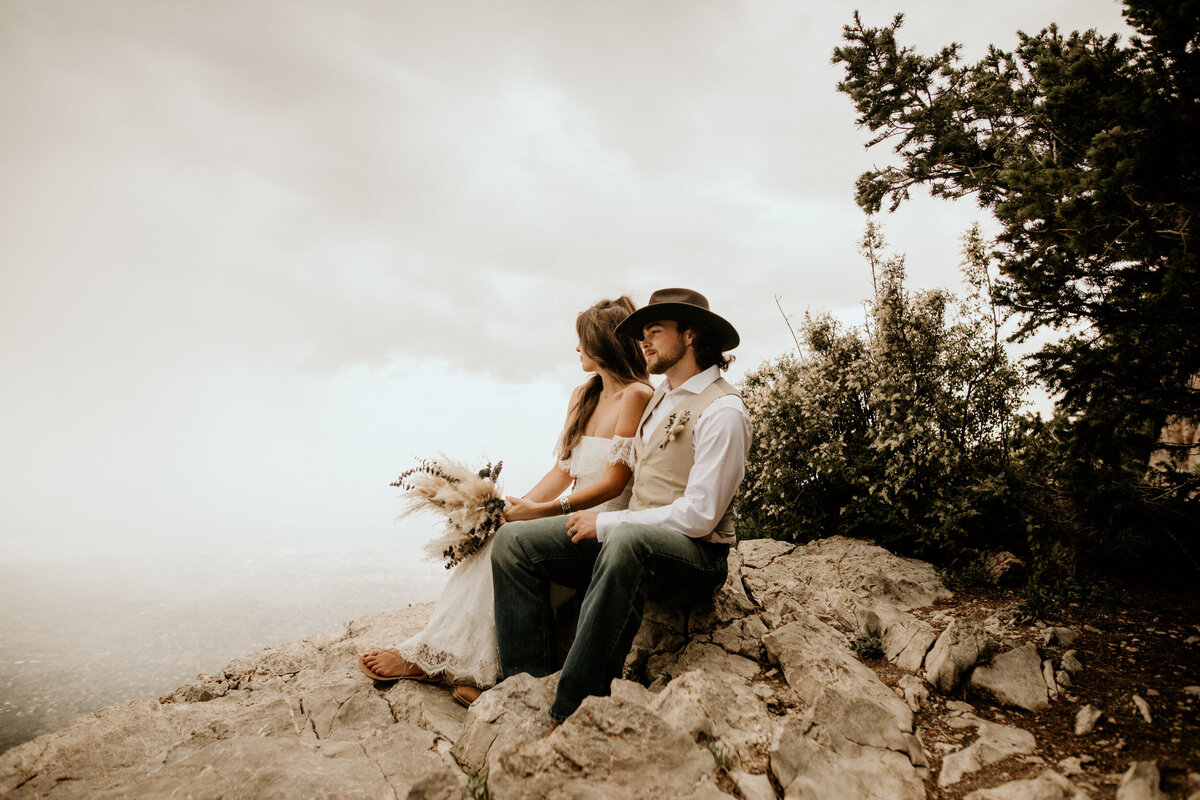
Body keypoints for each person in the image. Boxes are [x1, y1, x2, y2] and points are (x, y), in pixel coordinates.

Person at [360, 297, 654, 707]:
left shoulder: (636, 396)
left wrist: (542, 513)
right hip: (565, 515)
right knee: (498, 536)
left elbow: (613, 482)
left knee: (510, 545)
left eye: (583, 341)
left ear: (603, 343)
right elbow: (562, 472)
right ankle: (438, 654)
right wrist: (512, 510)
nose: (577, 350)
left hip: (602, 525)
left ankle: (455, 665)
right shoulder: (583, 395)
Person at [491, 287, 750, 724]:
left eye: (654, 331)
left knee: (625, 541)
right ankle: (528, 682)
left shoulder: (723, 411)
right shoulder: (659, 397)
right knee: (514, 545)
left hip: (695, 558)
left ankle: (572, 709)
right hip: (633, 540)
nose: (643, 342)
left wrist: (608, 523)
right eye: (642, 333)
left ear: (690, 336)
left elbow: (701, 516)